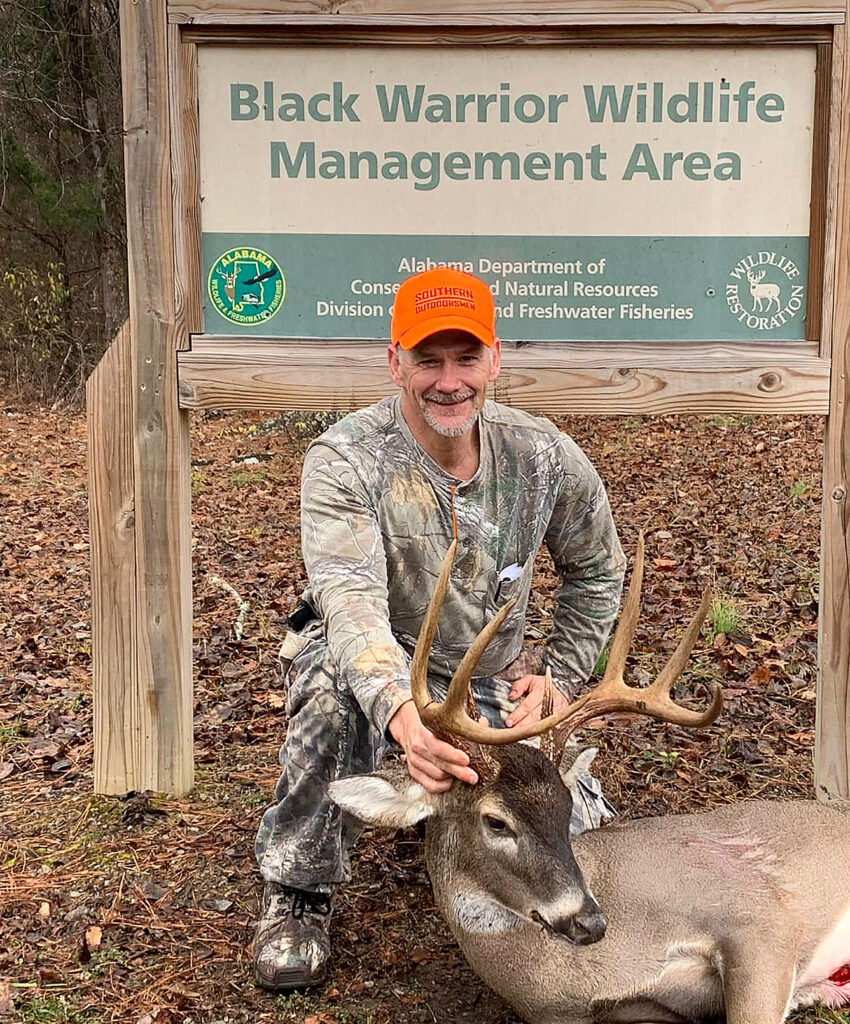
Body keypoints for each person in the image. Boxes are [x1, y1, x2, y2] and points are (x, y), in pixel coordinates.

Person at [252, 267, 625, 990]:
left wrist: (561, 679)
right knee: (332, 691)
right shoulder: (346, 459)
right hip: (376, 666)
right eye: (427, 360)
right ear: (396, 362)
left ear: (493, 359)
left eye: (465, 359)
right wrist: (400, 713)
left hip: (487, 681)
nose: (448, 382)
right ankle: (299, 885)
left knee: (576, 821)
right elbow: (348, 600)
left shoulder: (542, 454)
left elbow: (598, 572)